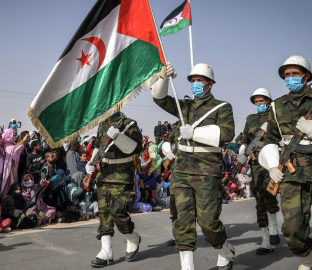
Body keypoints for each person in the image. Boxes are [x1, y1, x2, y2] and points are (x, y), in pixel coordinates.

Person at [259, 55, 312, 270]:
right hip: (291, 171)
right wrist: (272, 165)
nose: (290, 78)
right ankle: (306, 254)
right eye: (287, 75)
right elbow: (270, 138)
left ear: (306, 76)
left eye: (295, 74)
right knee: (291, 228)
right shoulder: (277, 106)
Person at [151, 62, 235, 269]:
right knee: (182, 221)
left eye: (200, 80)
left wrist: (195, 133)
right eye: (193, 80)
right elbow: (159, 99)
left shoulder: (222, 107)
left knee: (208, 222)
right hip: (181, 170)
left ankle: (224, 249)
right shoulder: (184, 107)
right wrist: (163, 78)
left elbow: (226, 134)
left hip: (207, 171)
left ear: (210, 84)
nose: (195, 84)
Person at [86, 110, 143, 267]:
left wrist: (119, 137)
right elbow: (98, 147)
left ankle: (132, 237)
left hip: (122, 175)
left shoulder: (129, 124)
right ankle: (106, 251)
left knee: (118, 211)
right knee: (104, 212)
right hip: (104, 173)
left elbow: (137, 148)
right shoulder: (103, 124)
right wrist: (90, 163)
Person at [237, 88, 281, 255]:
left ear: (268, 101)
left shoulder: (276, 117)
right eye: (256, 102)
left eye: (261, 101)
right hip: (256, 165)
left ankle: (274, 230)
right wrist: (242, 154)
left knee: (270, 196)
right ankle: (265, 240)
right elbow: (246, 140)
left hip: (273, 162)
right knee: (259, 200)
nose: (258, 104)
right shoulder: (251, 119)